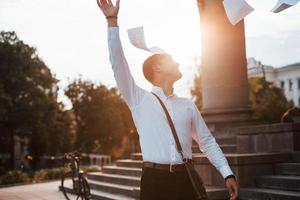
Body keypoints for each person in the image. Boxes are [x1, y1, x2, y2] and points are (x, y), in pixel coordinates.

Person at [96, 0, 240, 199]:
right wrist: (112, 21)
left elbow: (207, 142)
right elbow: (118, 64)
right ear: (158, 68)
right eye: (171, 60)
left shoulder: (187, 105)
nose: (178, 62)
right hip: (154, 182)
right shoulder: (139, 99)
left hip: (185, 181)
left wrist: (227, 173)